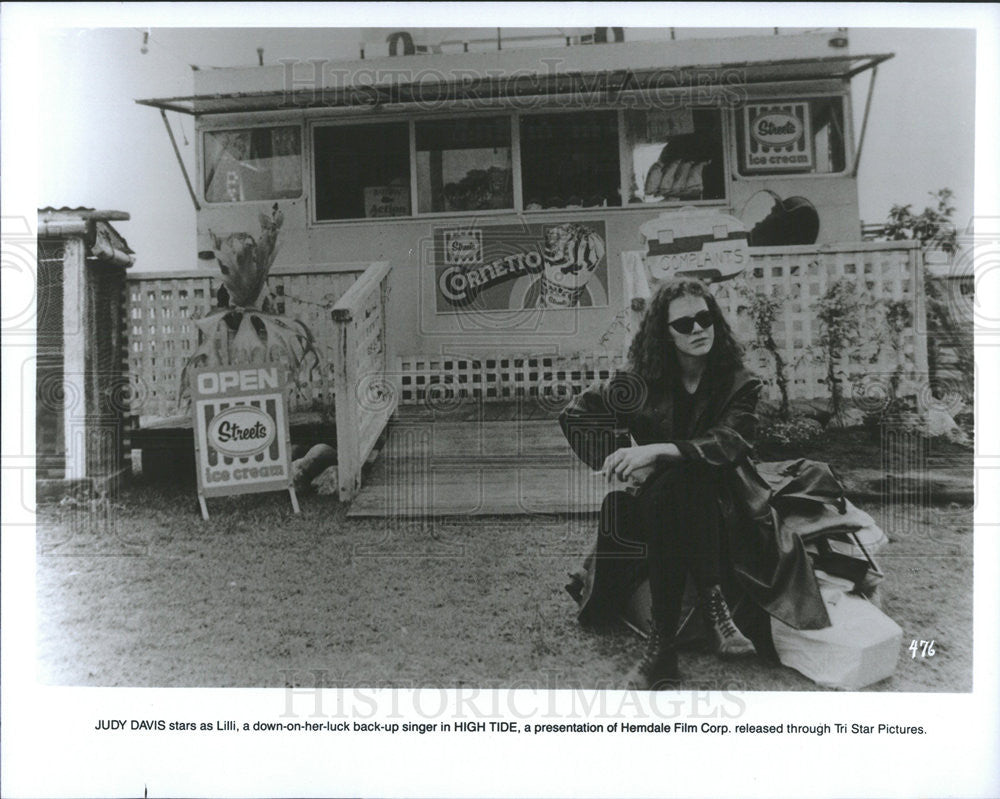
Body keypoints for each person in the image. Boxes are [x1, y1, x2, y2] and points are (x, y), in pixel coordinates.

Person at [559, 278, 828, 690]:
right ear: (663, 334)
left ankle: (662, 648)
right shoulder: (639, 381)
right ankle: (713, 601)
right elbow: (578, 412)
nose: (698, 329)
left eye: (705, 319)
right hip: (657, 503)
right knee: (673, 488)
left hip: (727, 508)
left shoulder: (740, 382)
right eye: (684, 324)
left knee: (686, 483)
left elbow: (729, 442)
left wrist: (658, 452)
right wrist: (620, 459)